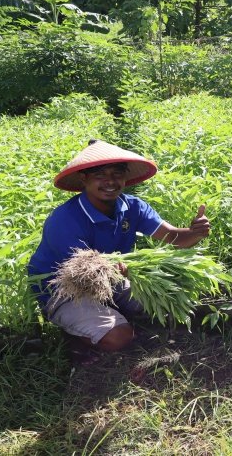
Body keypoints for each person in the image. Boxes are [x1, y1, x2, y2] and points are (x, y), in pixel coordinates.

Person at [28, 140, 211, 358]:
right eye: (100, 175)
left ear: (125, 177)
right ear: (84, 178)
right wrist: (116, 272)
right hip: (67, 291)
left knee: (168, 302)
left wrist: (195, 232)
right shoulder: (65, 219)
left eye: (117, 174)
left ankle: (109, 313)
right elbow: (82, 275)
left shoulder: (132, 206)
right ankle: (73, 338)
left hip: (114, 278)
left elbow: (173, 237)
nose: (110, 181)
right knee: (120, 337)